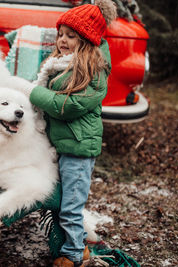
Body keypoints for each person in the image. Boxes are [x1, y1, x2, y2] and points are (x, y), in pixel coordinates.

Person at [26, 0, 117, 266]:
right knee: (62, 201)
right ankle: (73, 246)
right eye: (61, 34)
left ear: (86, 39)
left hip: (78, 148)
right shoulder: (60, 62)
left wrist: (33, 92)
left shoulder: (93, 69)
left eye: (71, 36)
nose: (62, 40)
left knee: (71, 207)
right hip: (62, 144)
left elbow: (70, 106)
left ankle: (74, 254)